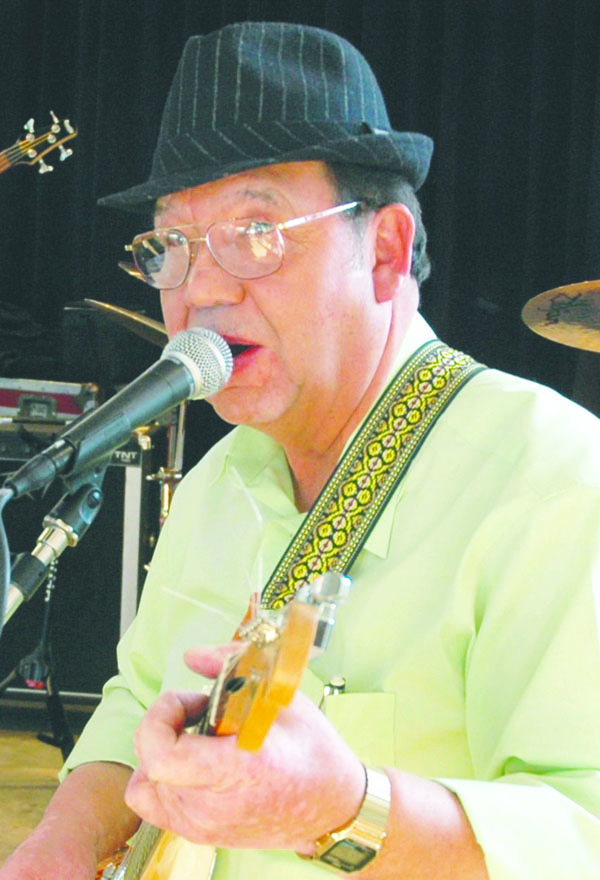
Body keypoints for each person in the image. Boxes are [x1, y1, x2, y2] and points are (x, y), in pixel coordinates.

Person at [2, 20, 600, 880]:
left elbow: (582, 833)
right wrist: (62, 838)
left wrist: (345, 812)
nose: (200, 288)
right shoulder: (219, 481)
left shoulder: (554, 478)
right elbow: (134, 701)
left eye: (257, 231)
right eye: (171, 245)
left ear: (386, 252)